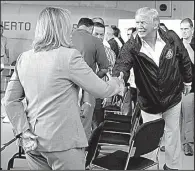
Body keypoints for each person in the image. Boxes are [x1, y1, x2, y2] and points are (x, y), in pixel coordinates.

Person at [4, 7, 125, 170]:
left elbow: (10, 101)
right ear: (61, 29)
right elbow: (101, 90)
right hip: (63, 143)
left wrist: (23, 131)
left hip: (32, 142)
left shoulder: (24, 58)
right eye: (68, 26)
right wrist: (117, 84)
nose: (71, 30)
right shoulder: (69, 56)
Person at [112, 7, 192, 170]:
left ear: (155, 23)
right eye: (137, 22)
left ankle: (172, 166)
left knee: (172, 134)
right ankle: (150, 166)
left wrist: (187, 81)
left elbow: (183, 58)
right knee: (150, 137)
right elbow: (122, 64)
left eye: (143, 22)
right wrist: (118, 79)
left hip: (172, 97)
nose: (139, 26)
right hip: (149, 101)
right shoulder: (132, 45)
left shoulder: (171, 38)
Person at [72, 18, 109, 140]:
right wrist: (93, 78)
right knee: (85, 125)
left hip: (64, 88)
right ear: (90, 28)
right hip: (87, 89)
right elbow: (104, 68)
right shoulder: (96, 42)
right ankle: (83, 155)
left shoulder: (64, 39)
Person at [92, 22, 116, 129]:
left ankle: (94, 145)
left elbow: (111, 74)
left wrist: (108, 95)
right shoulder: (80, 50)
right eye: (96, 34)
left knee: (97, 124)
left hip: (100, 93)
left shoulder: (109, 53)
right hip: (82, 93)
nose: (99, 37)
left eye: (101, 34)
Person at [180, 18, 194, 156]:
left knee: (188, 117)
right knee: (174, 118)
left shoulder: (192, 44)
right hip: (175, 88)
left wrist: (187, 46)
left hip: (191, 87)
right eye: (182, 29)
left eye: (186, 29)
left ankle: (188, 144)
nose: (184, 32)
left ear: (192, 29)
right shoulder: (175, 43)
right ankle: (174, 143)